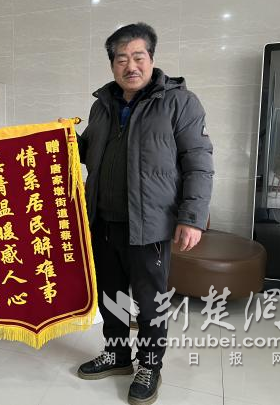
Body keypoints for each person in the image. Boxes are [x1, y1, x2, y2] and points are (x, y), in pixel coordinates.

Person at [76, 23, 213, 404]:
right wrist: (62, 139)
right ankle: (118, 354)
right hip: (103, 220)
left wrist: (191, 217)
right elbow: (88, 152)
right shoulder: (102, 105)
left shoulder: (179, 103)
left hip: (150, 225)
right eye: (121, 59)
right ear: (112, 65)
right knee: (111, 296)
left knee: (150, 302)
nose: (130, 66)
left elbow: (198, 162)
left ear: (152, 59)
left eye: (138, 57)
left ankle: (150, 364)